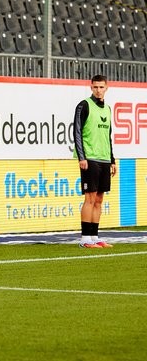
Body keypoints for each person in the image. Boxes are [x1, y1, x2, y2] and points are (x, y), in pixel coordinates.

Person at [73, 74, 116, 248]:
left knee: (99, 199)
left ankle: (94, 237)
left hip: (104, 159)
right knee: (89, 198)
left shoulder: (108, 109)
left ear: (107, 88)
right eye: (95, 87)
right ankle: (85, 239)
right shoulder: (84, 106)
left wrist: (112, 160)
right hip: (89, 158)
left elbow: (108, 136)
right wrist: (82, 157)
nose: (98, 90)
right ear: (91, 88)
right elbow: (76, 131)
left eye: (101, 87)